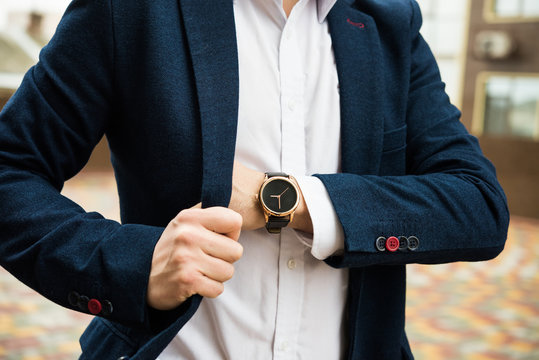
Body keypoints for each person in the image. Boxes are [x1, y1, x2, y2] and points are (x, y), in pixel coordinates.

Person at [0, 0, 509, 359]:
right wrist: (137, 264)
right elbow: (11, 170)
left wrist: (286, 200)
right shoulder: (131, 9)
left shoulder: (388, 22)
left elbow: (479, 205)